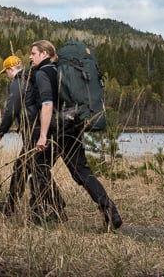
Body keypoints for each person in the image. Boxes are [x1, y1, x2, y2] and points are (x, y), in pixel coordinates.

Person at [32, 39, 123, 229]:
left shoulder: (45, 73)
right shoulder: (61, 69)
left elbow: (48, 105)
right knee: (81, 171)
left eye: (33, 53)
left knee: (38, 166)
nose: (30, 57)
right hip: (74, 124)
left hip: (59, 129)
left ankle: (56, 211)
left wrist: (43, 135)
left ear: (45, 54)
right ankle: (109, 210)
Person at [0, 54, 40, 216]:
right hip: (37, 129)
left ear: (12, 69)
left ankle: (11, 208)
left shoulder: (17, 81)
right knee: (30, 168)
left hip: (32, 131)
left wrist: (0, 133)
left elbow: (11, 109)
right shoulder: (30, 78)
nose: (7, 76)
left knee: (26, 168)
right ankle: (11, 207)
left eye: (6, 72)